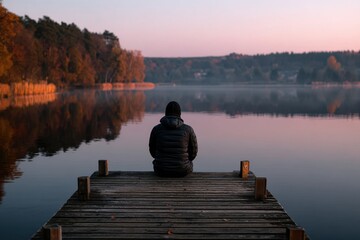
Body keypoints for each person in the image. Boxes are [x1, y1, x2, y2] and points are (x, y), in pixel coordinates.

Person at [149, 101, 198, 177]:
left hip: (161, 170)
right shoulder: (188, 129)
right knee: (189, 164)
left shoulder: (156, 129)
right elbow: (193, 153)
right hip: (183, 170)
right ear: (179, 114)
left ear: (166, 113)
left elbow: (152, 151)